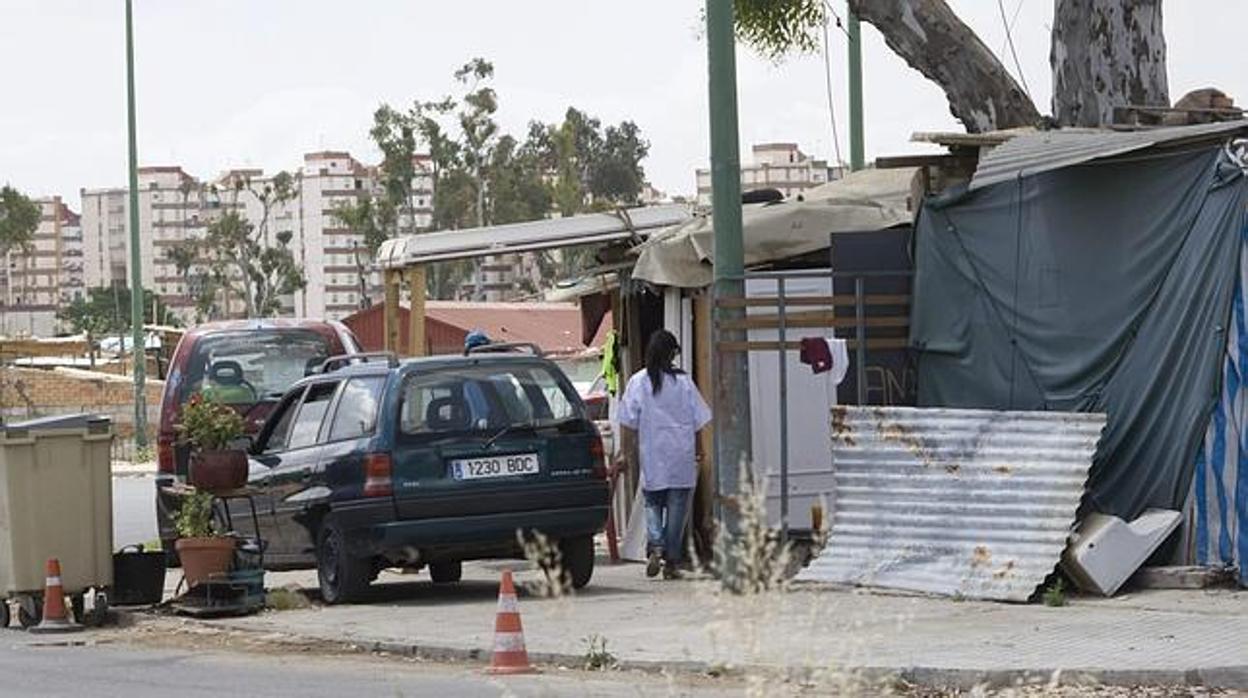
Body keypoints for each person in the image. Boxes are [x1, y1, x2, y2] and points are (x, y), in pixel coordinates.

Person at [615, 330, 712, 580]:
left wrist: (625, 451)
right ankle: (671, 561)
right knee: (678, 509)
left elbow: (627, 420)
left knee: (653, 502)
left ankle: (656, 545)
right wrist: (700, 448)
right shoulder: (683, 382)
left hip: (654, 454)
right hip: (681, 453)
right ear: (672, 353)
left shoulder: (639, 381)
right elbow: (698, 420)